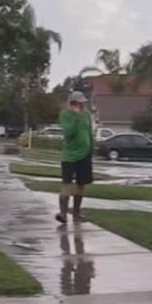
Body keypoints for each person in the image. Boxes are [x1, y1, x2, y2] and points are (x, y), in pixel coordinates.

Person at [56, 91, 93, 224]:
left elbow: (89, 132)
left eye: (83, 103)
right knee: (67, 183)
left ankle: (76, 213)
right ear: (73, 103)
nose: (82, 105)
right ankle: (63, 213)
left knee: (81, 184)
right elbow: (69, 133)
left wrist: (91, 148)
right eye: (79, 103)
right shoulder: (65, 115)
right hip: (69, 156)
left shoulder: (86, 114)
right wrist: (76, 117)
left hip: (85, 154)